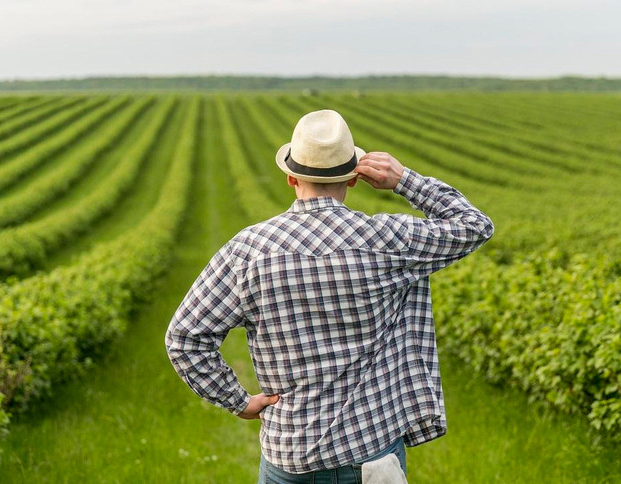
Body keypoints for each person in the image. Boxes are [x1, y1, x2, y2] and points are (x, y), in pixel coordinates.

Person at [165, 109, 494, 483]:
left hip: (290, 459)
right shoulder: (386, 240)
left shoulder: (249, 251)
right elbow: (474, 225)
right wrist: (404, 180)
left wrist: (237, 401)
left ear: (290, 176)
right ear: (354, 177)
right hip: (372, 456)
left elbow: (184, 338)